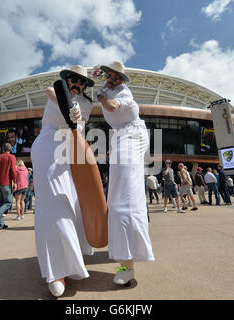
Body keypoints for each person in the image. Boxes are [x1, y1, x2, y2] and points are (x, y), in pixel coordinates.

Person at [30, 65, 95, 297]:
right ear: (66, 79)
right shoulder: (54, 90)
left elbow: (80, 126)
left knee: (72, 203)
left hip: (70, 151)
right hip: (47, 145)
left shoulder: (87, 103)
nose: (77, 83)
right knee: (53, 205)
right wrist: (70, 108)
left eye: (82, 81)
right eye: (73, 79)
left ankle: (71, 260)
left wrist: (78, 116)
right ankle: (56, 270)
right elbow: (53, 95)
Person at [97, 61, 154, 287]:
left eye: (117, 75)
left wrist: (101, 97)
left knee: (124, 199)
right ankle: (125, 259)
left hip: (132, 135)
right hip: (121, 136)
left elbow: (111, 107)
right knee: (117, 197)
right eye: (111, 74)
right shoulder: (108, 88)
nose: (114, 78)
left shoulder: (123, 93)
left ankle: (128, 265)